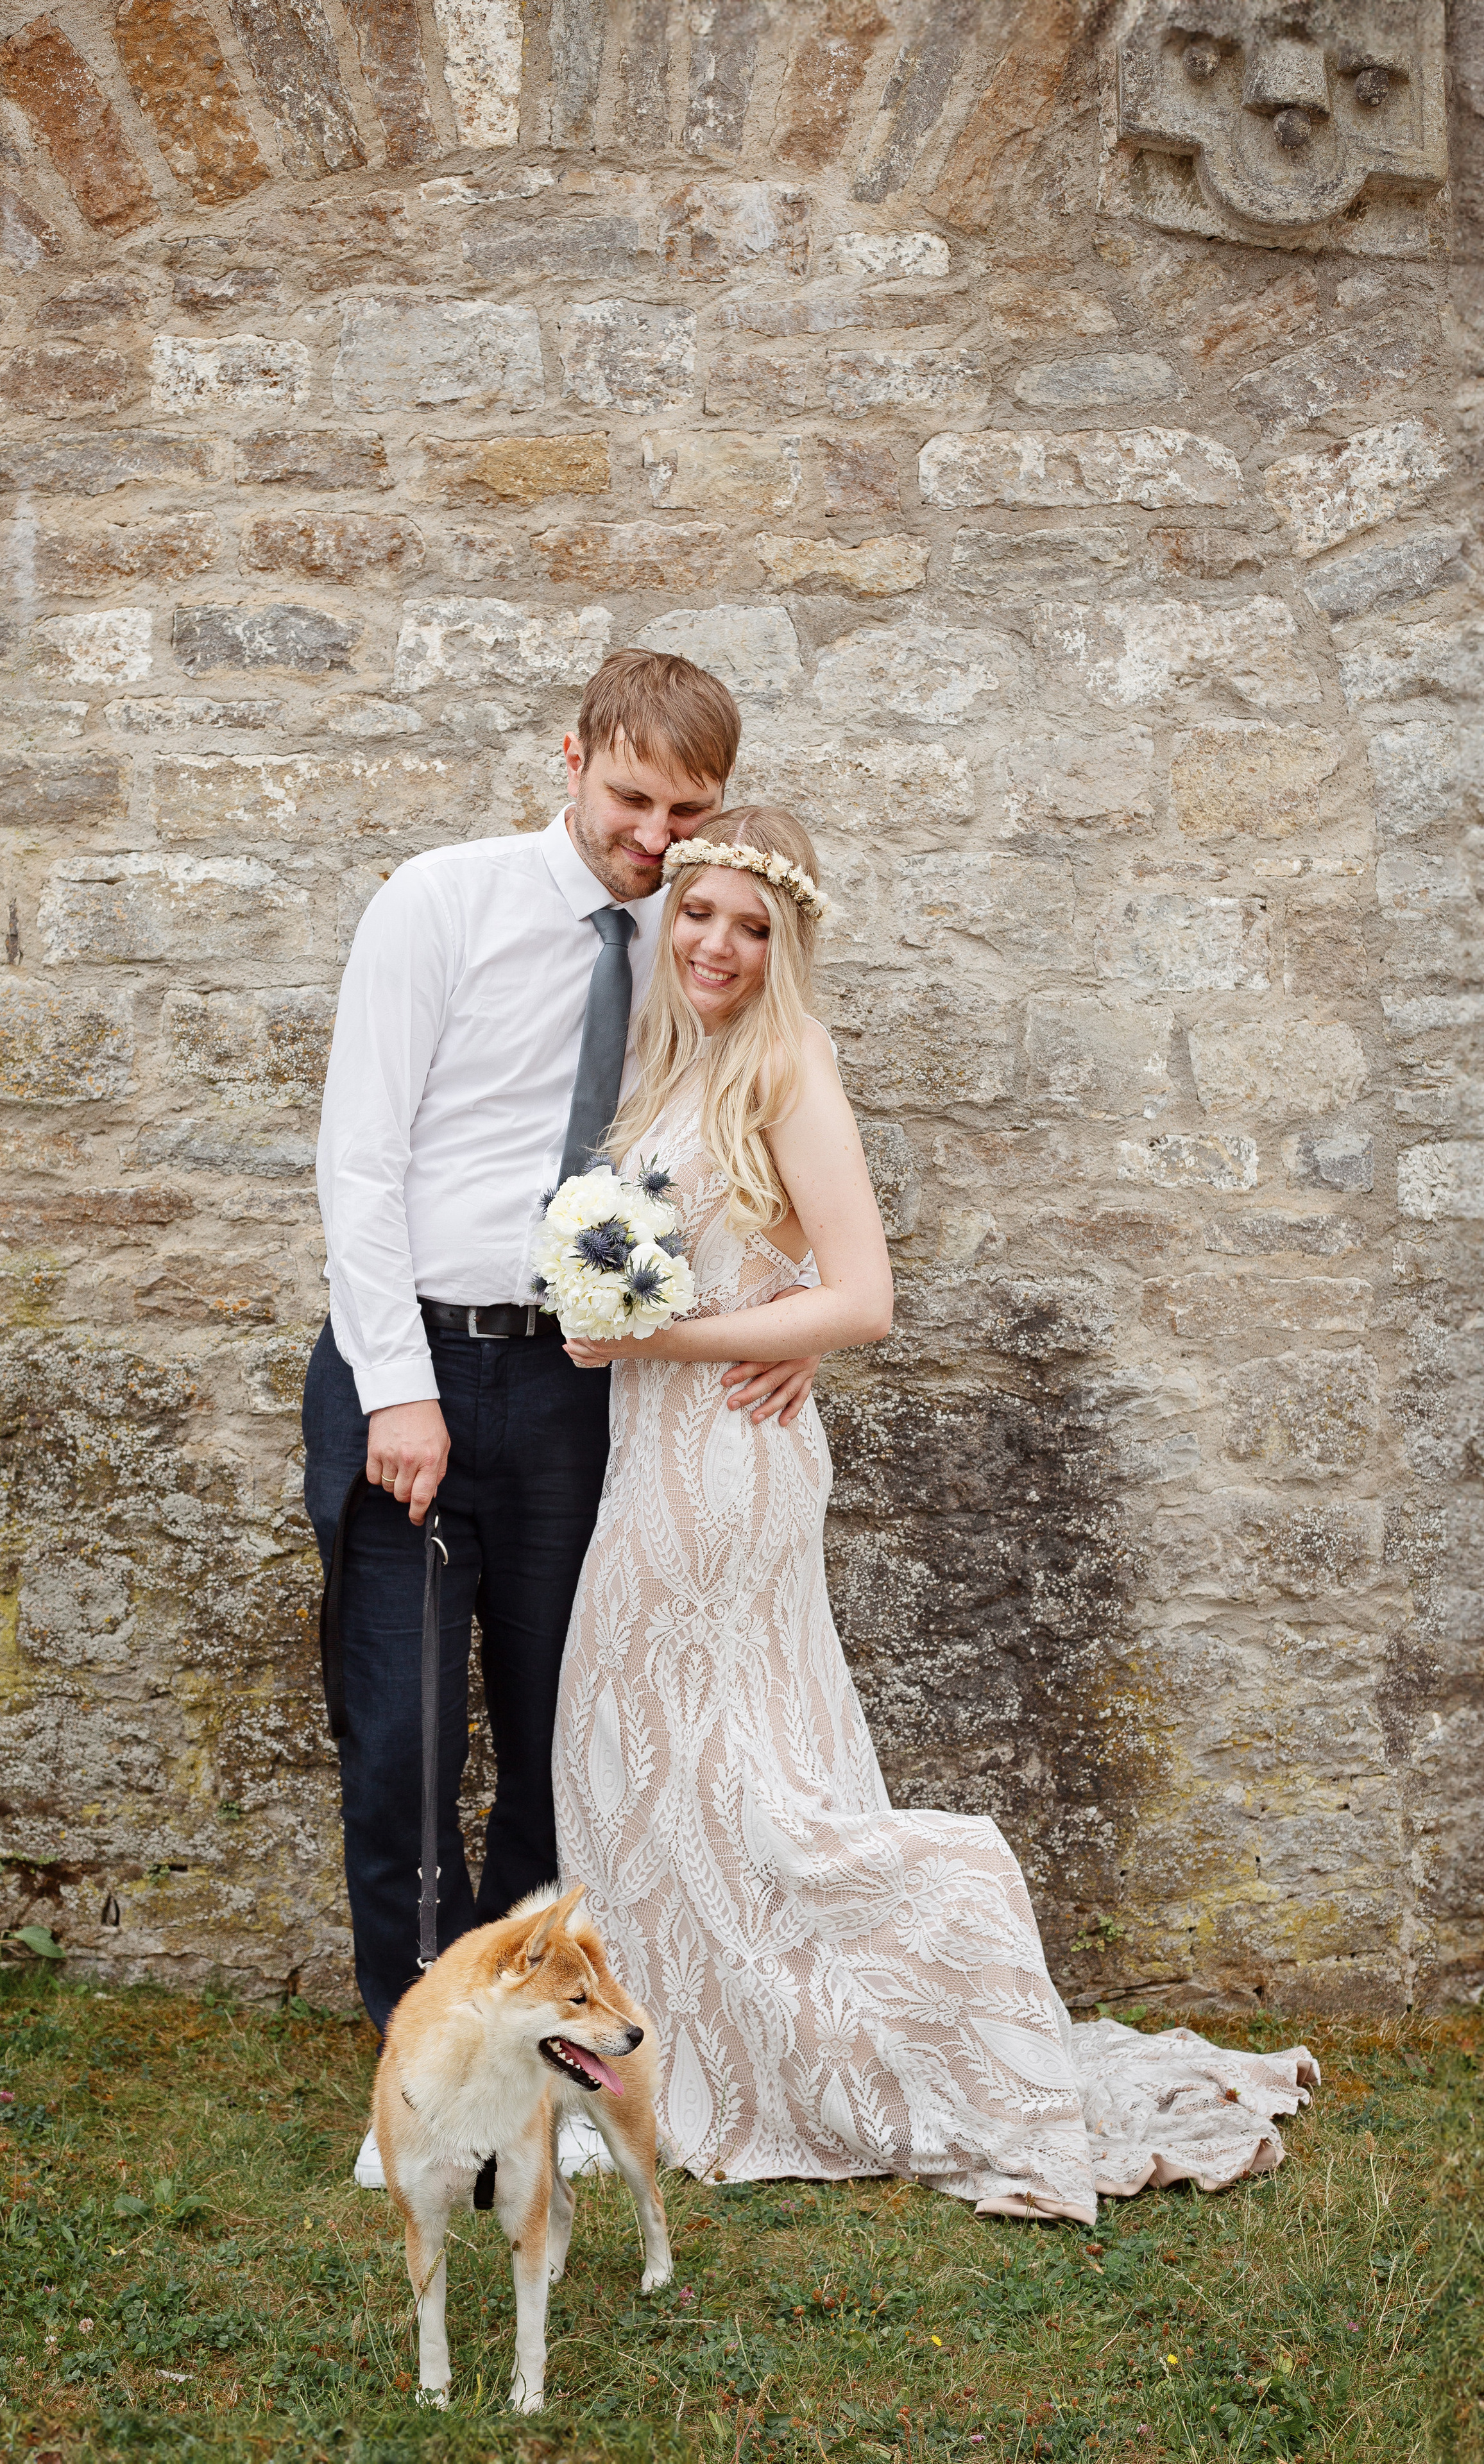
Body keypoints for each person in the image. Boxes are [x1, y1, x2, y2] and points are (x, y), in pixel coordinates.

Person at [552, 806, 1319, 2223]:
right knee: (654, 1756)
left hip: (721, 1459)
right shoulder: (677, 1058)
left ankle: (930, 1922)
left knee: (690, 1753)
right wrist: (670, 1315)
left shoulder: (785, 1061)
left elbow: (864, 1295)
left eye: (751, 926)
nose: (716, 943)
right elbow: (752, 1279)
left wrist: (658, 1340)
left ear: (787, 946)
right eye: (699, 913)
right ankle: (694, 2056)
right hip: (652, 1448)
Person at [303, 654, 823, 2155]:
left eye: (689, 811)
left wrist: (789, 1321)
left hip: (584, 1385)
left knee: (558, 1732)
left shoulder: (703, 936)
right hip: (415, 1366)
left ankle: (535, 2038)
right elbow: (361, 1165)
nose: (654, 839)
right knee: (401, 1735)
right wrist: (399, 1389)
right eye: (632, 798)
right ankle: (419, 2045)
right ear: (573, 758)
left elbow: (759, 1135)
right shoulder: (440, 903)